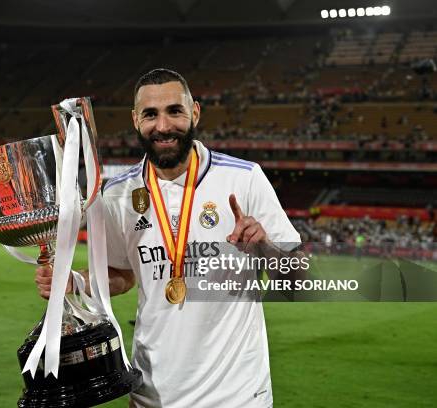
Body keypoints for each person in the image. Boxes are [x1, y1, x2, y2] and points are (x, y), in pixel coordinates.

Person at [36, 68, 300, 407]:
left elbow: (297, 278)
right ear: (135, 120)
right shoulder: (118, 194)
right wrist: (72, 282)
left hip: (237, 395)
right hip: (153, 394)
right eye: (151, 114)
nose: (163, 126)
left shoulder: (244, 178)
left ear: (195, 112)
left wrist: (265, 248)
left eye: (175, 111)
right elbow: (120, 275)